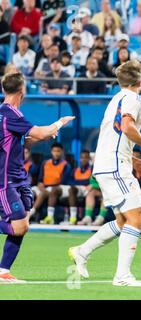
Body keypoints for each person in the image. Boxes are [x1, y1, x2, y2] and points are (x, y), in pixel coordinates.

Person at [68, 60, 141, 287]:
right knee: (137, 218)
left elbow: (116, 136)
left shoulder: (116, 99)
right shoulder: (132, 98)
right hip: (115, 165)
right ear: (140, 81)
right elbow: (128, 127)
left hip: (108, 163)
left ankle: (83, 250)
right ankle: (122, 277)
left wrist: (133, 159)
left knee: (123, 220)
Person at [0, 72, 74, 282]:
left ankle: (3, 271)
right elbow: (39, 133)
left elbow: (23, 142)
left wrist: (44, 135)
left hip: (18, 178)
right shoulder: (10, 113)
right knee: (19, 226)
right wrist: (58, 123)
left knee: (22, 227)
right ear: (22, 92)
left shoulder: (8, 115)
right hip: (6, 181)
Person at [31, 142, 72, 224]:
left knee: (43, 193)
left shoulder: (66, 165)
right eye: (54, 151)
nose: (56, 153)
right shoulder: (45, 163)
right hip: (43, 187)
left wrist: (45, 187)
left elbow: (63, 182)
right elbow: (40, 178)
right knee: (29, 191)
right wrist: (40, 184)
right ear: (51, 151)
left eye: (58, 151)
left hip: (57, 188)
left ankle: (30, 214)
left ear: (62, 152)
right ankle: (22, 213)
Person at [67, 150, 92, 225]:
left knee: (73, 188)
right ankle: (73, 218)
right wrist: (81, 182)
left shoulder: (92, 169)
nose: (83, 159)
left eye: (86, 157)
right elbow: (69, 181)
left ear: (89, 159)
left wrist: (78, 182)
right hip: (77, 188)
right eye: (82, 157)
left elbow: (90, 182)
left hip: (87, 189)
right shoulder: (75, 169)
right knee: (71, 189)